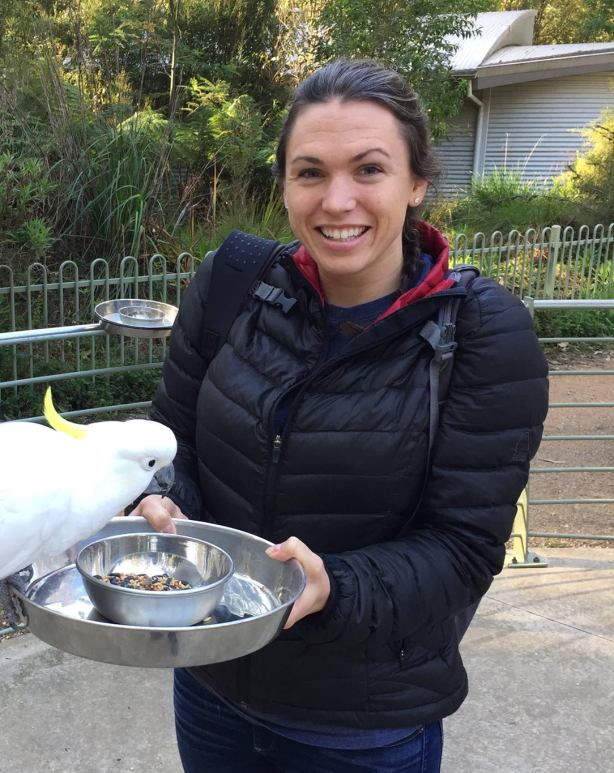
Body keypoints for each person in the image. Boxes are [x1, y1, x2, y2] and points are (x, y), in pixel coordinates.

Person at [130, 58, 549, 772]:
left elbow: (465, 548)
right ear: (286, 185)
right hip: (210, 684)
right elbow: (172, 448)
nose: (337, 200)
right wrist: (159, 501)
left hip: (361, 727)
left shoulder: (484, 333)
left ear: (417, 182)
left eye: (369, 169)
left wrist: (335, 587)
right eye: (311, 172)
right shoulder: (232, 282)